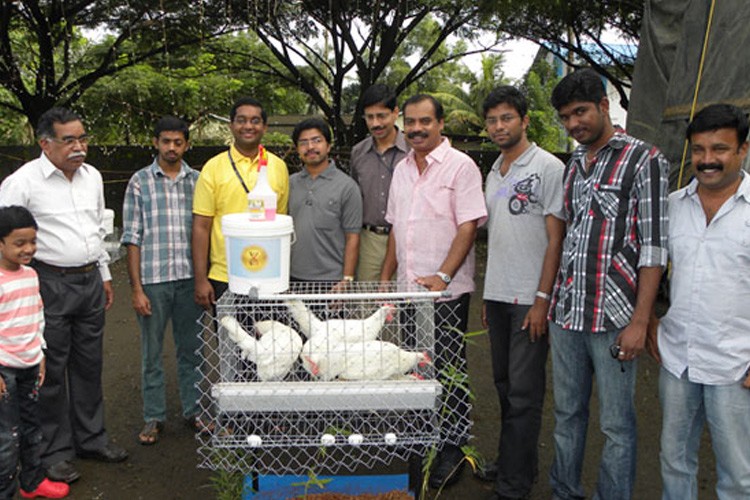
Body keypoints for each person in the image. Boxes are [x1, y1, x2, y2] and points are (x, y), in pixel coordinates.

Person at [547, 68, 669, 500]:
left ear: (603, 106)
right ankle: (565, 491)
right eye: (565, 117)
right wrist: (550, 302)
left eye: (580, 112)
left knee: (616, 424)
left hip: (615, 316)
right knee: (566, 414)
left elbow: (654, 248)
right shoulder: (575, 164)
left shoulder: (645, 159)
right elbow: (569, 237)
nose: (573, 124)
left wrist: (641, 320)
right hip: (567, 312)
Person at [0, 108, 128, 484]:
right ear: (45, 143)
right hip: (46, 284)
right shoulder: (23, 182)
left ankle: (92, 438)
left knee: (89, 365)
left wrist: (104, 274)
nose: (79, 147)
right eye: (68, 140)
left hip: (89, 280)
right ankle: (52, 452)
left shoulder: (92, 177)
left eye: (82, 138)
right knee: (49, 371)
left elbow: (97, 230)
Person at [380, 94, 487, 489]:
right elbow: (397, 228)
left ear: (441, 124)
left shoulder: (461, 167)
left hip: (445, 293)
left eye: (425, 121)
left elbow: (468, 225)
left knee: (449, 368)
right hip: (409, 292)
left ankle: (454, 447)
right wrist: (385, 277)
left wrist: (443, 274)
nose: (417, 129)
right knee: (414, 364)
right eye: (410, 122)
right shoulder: (402, 169)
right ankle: (420, 437)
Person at [648, 103, 750, 499]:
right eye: (700, 150)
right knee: (674, 461)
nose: (708, 160)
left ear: (742, 149)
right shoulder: (673, 206)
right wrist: (650, 322)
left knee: (738, 474)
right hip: (677, 359)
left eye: (720, 149)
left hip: (735, 363)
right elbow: (649, 268)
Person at [477, 86, 565, 499]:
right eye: (492, 120)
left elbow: (555, 238)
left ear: (525, 120)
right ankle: (514, 464)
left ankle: (514, 485)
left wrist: (542, 299)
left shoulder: (547, 167)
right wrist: (487, 295)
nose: (499, 126)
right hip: (498, 297)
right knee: (503, 385)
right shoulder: (495, 171)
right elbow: (497, 235)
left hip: (530, 300)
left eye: (506, 118)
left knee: (525, 393)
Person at [121, 116, 206, 446]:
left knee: (192, 351)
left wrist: (203, 279)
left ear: (186, 144)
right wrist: (136, 288)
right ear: (155, 142)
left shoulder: (198, 181)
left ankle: (195, 411)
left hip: (189, 279)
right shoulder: (140, 182)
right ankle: (153, 416)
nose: (172, 147)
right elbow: (132, 237)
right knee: (151, 354)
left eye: (178, 142)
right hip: (153, 282)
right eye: (165, 141)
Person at [192, 97, 289, 307]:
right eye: (241, 120)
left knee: (268, 337)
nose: (248, 126)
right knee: (229, 337)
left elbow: (280, 222)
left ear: (264, 127)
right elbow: (201, 227)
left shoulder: (278, 167)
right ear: (231, 125)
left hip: (269, 275)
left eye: (255, 121)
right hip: (226, 275)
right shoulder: (213, 167)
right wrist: (201, 279)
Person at [0, 206, 70, 499]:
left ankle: (32, 481)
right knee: (6, 436)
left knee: (32, 427)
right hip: (4, 370)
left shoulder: (31, 275)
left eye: (32, 241)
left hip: (30, 365)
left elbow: (37, 314)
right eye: (19, 243)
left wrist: (40, 352)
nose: (28, 249)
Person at [288, 117, 362, 286]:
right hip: (292, 278)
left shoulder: (347, 186)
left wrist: (347, 279)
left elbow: (353, 237)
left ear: (328, 146)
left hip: (332, 280)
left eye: (317, 141)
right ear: (297, 149)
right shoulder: (289, 184)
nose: (310, 147)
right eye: (303, 143)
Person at [350, 84, 409, 281]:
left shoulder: (413, 150)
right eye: (370, 117)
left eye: (381, 116)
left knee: (406, 303)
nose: (376, 123)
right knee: (366, 305)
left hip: (408, 238)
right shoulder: (358, 153)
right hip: (370, 240)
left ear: (395, 113)